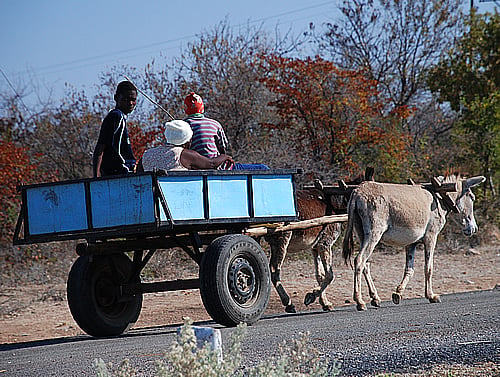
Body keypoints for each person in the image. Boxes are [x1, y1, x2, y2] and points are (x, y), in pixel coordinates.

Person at [183, 92, 269, 170]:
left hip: (197, 168)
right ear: (202, 107)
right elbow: (222, 148)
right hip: (222, 167)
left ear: (186, 109)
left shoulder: (183, 126)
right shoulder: (215, 124)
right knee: (263, 168)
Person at [139, 119, 234, 172]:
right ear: (186, 142)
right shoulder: (184, 154)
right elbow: (211, 164)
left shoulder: (147, 154)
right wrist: (225, 157)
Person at [93, 81, 138, 177]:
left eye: (133, 100)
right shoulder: (116, 116)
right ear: (116, 98)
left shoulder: (121, 117)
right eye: (126, 99)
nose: (130, 103)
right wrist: (96, 176)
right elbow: (100, 147)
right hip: (119, 172)